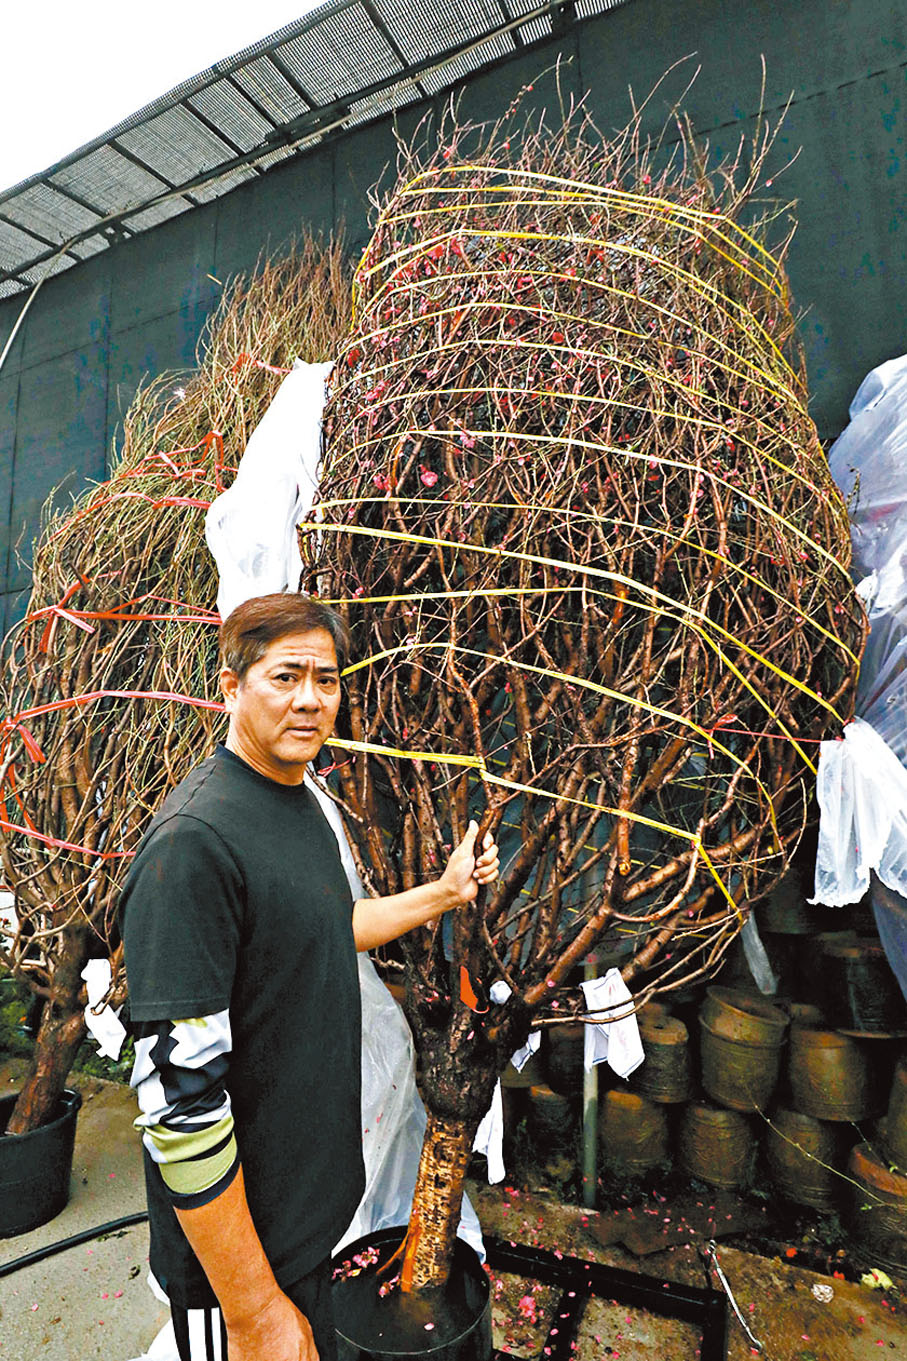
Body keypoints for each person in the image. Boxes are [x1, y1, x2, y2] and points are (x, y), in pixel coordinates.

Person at [120, 593, 499, 1361]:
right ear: (230, 686)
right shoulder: (193, 845)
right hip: (238, 1275)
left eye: (325, 679)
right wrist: (255, 1309)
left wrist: (446, 892)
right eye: (284, 675)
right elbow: (179, 1107)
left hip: (305, 1229)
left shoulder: (296, 801)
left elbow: (327, 928)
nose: (310, 698)